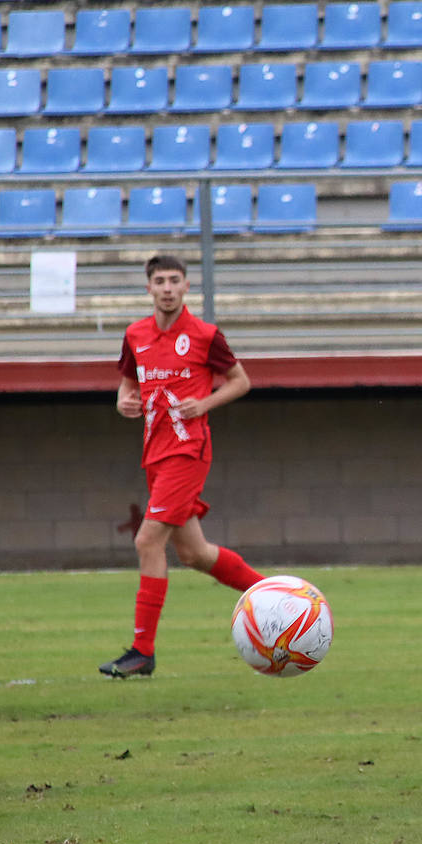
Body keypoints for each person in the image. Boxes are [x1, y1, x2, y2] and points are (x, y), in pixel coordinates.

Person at [99, 254, 266, 678]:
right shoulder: (135, 334)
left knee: (147, 541)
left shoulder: (205, 335)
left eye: (175, 280)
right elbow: (127, 384)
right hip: (154, 453)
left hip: (188, 452)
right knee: (193, 553)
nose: (168, 288)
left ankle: (142, 651)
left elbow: (242, 382)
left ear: (187, 286)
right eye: (160, 281)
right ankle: (273, 593)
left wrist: (204, 404)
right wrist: (123, 402)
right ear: (149, 288)